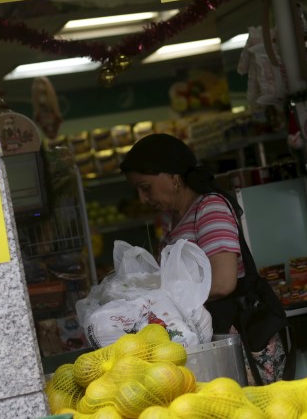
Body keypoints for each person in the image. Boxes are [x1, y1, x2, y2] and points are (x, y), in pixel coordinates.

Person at [119, 133, 293, 385]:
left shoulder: (209, 208)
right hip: (212, 340)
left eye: (145, 188)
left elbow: (224, 283)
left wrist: (166, 304)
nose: (142, 199)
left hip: (236, 337)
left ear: (173, 177)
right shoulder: (172, 220)